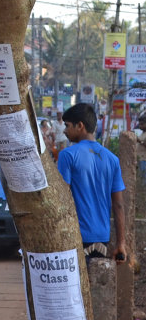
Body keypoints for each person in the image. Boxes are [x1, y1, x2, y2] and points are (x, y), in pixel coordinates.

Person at [56, 103, 127, 262]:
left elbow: (62, 198)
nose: (64, 131)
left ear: (80, 125)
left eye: (67, 126)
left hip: (76, 236)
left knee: (77, 286)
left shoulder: (67, 155)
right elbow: (118, 205)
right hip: (102, 238)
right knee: (97, 285)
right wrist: (121, 243)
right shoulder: (112, 159)